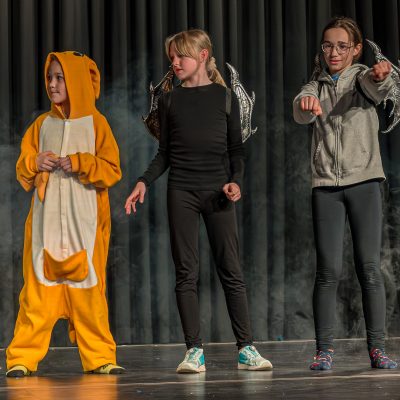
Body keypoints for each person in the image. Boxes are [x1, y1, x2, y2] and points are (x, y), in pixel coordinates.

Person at [125, 29, 272, 373]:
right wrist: (143, 181)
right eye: (172, 57)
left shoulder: (225, 98)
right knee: (186, 273)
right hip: (182, 192)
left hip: (218, 193)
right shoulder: (169, 101)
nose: (175, 62)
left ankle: (246, 348)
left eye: (182, 56)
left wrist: (235, 182)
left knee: (231, 269)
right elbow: (165, 153)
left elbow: (236, 151)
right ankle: (194, 351)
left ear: (203, 55)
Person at [6, 51, 124, 377]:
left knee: (89, 297)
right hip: (45, 230)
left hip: (83, 228)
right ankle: (22, 358)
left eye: (60, 77)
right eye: (50, 77)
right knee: (36, 297)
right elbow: (22, 169)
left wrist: (81, 162)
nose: (53, 84)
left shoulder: (96, 124)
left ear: (77, 81)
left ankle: (100, 357)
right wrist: (34, 163)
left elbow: (112, 170)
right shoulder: (41, 125)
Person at [293, 16, 398, 370]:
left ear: (355, 49)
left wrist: (381, 76)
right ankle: (324, 351)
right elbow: (301, 108)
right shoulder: (315, 85)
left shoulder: (362, 77)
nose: (333, 52)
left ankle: (378, 349)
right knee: (328, 271)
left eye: (341, 46)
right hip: (326, 187)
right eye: (328, 46)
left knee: (369, 268)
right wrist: (306, 106)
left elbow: (375, 87)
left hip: (364, 183)